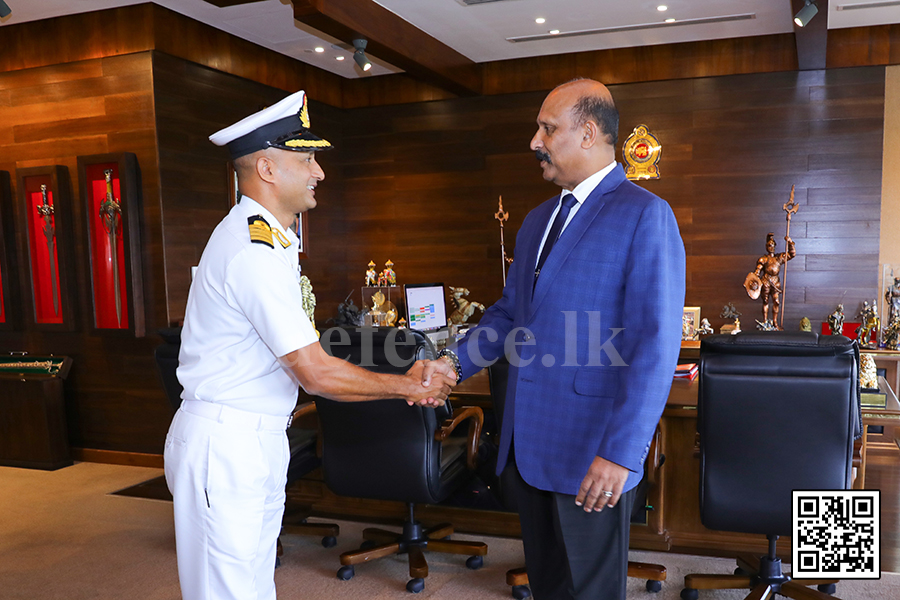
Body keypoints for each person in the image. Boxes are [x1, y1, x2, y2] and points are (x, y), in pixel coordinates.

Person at [164, 90, 453, 600]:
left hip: (252, 437)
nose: (319, 172)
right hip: (229, 444)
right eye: (306, 159)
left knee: (251, 586)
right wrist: (406, 385)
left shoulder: (271, 241)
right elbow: (315, 373)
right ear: (267, 168)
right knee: (226, 590)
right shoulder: (251, 248)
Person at [424, 78, 685, 599]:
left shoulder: (644, 214)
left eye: (547, 128)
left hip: (593, 452)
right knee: (548, 587)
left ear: (588, 133)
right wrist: (453, 364)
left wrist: (621, 452)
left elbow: (655, 345)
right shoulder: (538, 219)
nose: (534, 141)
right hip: (529, 448)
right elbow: (507, 316)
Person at [745, 232, 795, 328]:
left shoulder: (779, 258)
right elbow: (758, 270)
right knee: (765, 301)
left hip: (775, 282)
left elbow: (792, 254)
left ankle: (775, 322)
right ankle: (765, 322)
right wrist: (756, 275)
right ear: (766, 247)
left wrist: (790, 243)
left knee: (776, 301)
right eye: (769, 245)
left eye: (772, 245)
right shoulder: (763, 259)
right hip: (766, 281)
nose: (771, 247)